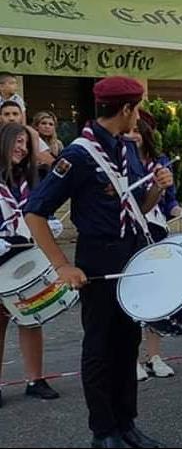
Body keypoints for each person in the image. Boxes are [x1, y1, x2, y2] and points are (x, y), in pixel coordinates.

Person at [24, 76, 173, 448]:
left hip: (131, 258)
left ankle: (126, 424)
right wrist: (61, 265)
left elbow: (136, 208)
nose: (138, 116)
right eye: (136, 109)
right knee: (99, 349)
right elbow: (35, 213)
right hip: (98, 262)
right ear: (125, 109)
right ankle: (103, 431)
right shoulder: (78, 155)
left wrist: (157, 187)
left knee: (126, 345)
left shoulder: (125, 149)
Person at [127, 111, 182, 381]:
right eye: (129, 131)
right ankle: (131, 359)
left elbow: (170, 204)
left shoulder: (161, 163)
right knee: (134, 296)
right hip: (130, 233)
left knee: (155, 296)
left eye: (137, 131)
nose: (132, 136)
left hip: (156, 232)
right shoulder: (121, 164)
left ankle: (154, 356)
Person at [0, 123, 61, 408]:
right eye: (17, 141)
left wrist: (50, 225)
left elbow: (38, 212)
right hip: (0, 259)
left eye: (25, 143)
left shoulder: (29, 179)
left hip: (27, 256)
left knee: (31, 317)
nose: (22, 148)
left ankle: (35, 380)